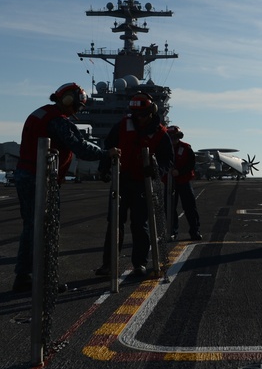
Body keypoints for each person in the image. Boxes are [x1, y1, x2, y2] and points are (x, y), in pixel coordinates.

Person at [12, 83, 118, 293]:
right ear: (68, 100)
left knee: (32, 228)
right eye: (77, 107)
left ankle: (24, 276)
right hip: (40, 179)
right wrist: (107, 153)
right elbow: (80, 147)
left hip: (26, 175)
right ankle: (43, 280)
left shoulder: (41, 113)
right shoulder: (57, 121)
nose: (77, 111)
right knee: (45, 229)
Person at [96, 93, 173, 277]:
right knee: (115, 222)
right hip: (121, 180)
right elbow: (109, 146)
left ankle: (139, 264)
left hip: (142, 183)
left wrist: (156, 171)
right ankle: (108, 264)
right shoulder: (122, 125)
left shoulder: (161, 133)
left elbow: (167, 160)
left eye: (143, 114)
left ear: (151, 112)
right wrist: (104, 168)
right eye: (136, 114)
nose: (139, 118)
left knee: (140, 224)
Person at [167, 125, 201, 241]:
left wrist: (179, 172)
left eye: (175, 137)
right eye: (170, 137)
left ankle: (194, 231)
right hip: (170, 182)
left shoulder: (186, 148)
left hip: (184, 181)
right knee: (170, 209)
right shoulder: (163, 149)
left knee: (190, 207)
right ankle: (172, 232)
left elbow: (191, 164)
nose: (173, 140)